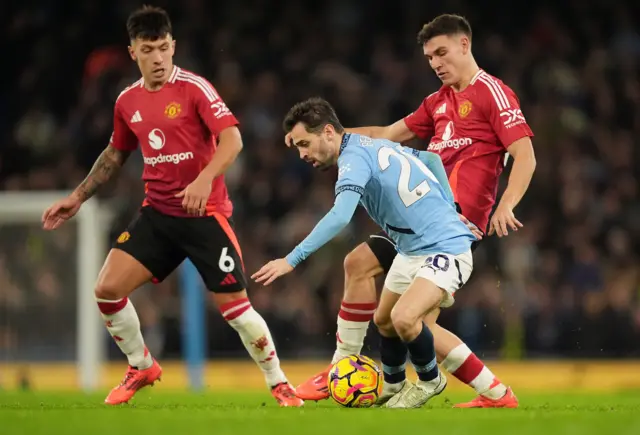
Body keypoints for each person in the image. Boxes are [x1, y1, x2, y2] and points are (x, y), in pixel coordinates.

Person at [41, 5, 302, 407]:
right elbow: (115, 154)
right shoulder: (127, 101)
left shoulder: (195, 88)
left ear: (173, 46)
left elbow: (232, 139)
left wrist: (203, 179)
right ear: (133, 53)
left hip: (205, 217)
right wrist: (76, 197)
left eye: (164, 47)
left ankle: (279, 383)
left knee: (237, 312)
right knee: (106, 290)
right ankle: (141, 364)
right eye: (149, 50)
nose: (159, 57)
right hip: (159, 215)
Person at [294, 14, 535, 408]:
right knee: (367, 278)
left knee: (411, 322)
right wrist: (330, 139)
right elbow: (388, 134)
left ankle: (491, 392)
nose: (436, 63)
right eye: (428, 57)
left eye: (441, 52)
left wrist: (506, 204)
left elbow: (524, 155)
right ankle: (356, 370)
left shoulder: (493, 93)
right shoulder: (438, 101)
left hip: (451, 229)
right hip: (415, 224)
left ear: (464, 44)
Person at [254, 97, 479, 408]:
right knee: (379, 307)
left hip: (434, 245)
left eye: (305, 143)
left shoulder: (352, 160)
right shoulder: (369, 143)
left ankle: (430, 380)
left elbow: (340, 217)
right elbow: (430, 161)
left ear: (329, 132)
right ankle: (387, 380)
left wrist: (291, 260)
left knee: (405, 317)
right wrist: (453, 208)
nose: (302, 154)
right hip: (413, 242)